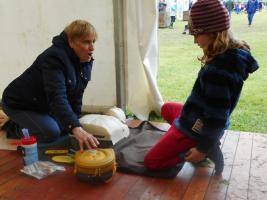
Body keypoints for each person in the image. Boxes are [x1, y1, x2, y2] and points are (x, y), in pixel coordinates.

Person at [144, 0, 259, 175]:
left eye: (196, 34)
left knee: (152, 161)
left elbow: (217, 116)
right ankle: (200, 140)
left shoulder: (218, 71)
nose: (195, 40)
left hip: (197, 128)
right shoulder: (232, 54)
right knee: (167, 108)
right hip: (198, 115)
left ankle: (202, 148)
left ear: (212, 32)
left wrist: (202, 149)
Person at [1, 20, 99, 151]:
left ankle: (28, 123)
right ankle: (13, 127)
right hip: (19, 103)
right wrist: (75, 128)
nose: (92, 47)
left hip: (42, 104)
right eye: (86, 42)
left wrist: (75, 126)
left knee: (66, 127)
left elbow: (76, 96)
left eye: (93, 41)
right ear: (71, 42)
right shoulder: (54, 58)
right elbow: (57, 96)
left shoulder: (85, 60)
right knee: (51, 132)